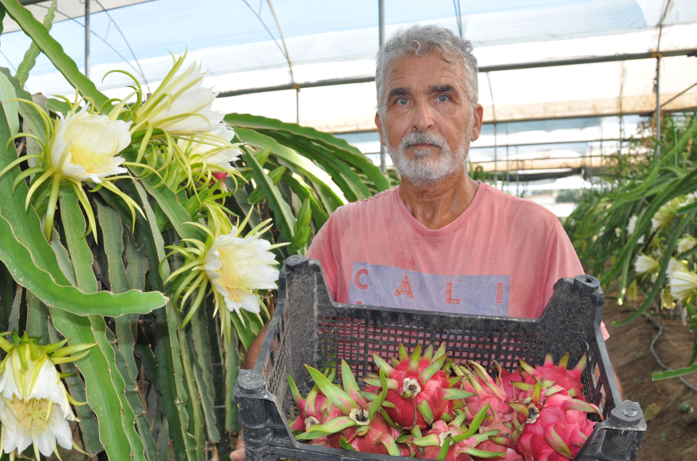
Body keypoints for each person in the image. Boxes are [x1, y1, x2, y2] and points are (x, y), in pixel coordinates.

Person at [229, 24, 606, 461]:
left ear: (476, 121)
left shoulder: (536, 232)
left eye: (443, 96)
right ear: (380, 126)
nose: (421, 119)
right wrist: (251, 436)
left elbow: (585, 376)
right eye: (401, 99)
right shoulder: (345, 229)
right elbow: (283, 337)